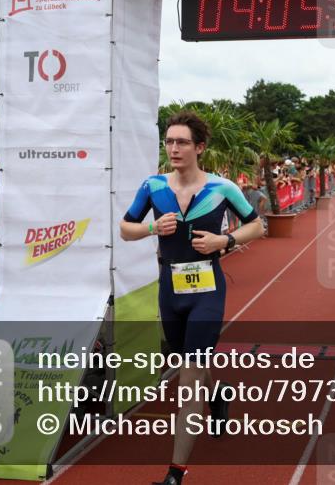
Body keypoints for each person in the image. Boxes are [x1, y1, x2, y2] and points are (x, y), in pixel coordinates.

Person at [118, 111, 263, 485]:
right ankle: (218, 396)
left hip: (208, 292)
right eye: (169, 141)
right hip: (171, 288)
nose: (174, 148)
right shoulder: (152, 186)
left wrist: (224, 241)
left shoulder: (222, 188)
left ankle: (175, 473)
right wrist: (151, 227)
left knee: (189, 377)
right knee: (189, 363)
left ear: (199, 147)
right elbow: (124, 229)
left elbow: (257, 224)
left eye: (182, 142)